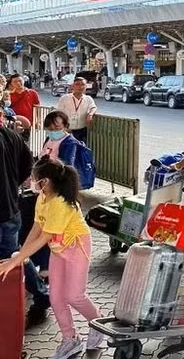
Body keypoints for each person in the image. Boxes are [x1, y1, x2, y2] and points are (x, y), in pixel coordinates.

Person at [0, 157, 103, 356]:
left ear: (45, 181)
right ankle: (70, 338)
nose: (30, 181)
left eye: (34, 178)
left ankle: (98, 324)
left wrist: (16, 260)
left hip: (76, 246)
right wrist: (19, 255)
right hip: (58, 249)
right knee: (56, 297)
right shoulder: (43, 198)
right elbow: (36, 229)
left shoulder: (61, 203)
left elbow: (44, 236)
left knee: (74, 295)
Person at [0, 107, 51, 329]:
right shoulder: (10, 135)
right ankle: (41, 296)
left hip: (5, 213)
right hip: (11, 208)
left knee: (14, 257)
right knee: (16, 256)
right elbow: (27, 167)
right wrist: (11, 187)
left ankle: (40, 297)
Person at [55, 77, 97, 145]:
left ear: (86, 86)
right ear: (73, 86)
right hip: (67, 131)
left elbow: (93, 107)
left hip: (82, 132)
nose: (80, 87)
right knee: (67, 153)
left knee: (80, 152)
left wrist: (90, 115)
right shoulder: (65, 98)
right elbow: (58, 114)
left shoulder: (88, 99)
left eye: (82, 84)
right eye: (77, 84)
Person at [9, 73, 39, 142]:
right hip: (13, 123)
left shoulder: (32, 93)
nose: (18, 83)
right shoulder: (9, 95)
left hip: (27, 123)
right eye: (15, 81)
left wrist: (38, 120)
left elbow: (37, 107)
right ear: (11, 84)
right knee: (13, 142)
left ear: (23, 81)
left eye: (20, 81)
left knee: (25, 141)